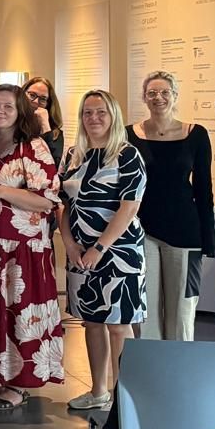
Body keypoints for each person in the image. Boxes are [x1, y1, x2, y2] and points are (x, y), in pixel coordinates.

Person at [0, 85, 63, 410]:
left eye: (8, 106)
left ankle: (18, 386)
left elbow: (47, 200)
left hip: (20, 250)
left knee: (18, 312)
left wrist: (1, 191)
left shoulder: (32, 147)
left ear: (21, 111)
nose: (0, 111)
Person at [58, 89, 147, 412]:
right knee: (91, 322)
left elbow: (129, 206)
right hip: (79, 252)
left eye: (101, 112)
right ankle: (98, 391)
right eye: (87, 112)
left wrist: (99, 247)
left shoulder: (127, 155)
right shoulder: (73, 155)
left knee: (119, 325)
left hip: (119, 252)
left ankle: (125, 398)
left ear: (113, 117)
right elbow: (62, 204)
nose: (93, 118)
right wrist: (69, 244)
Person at [127, 70, 212, 342]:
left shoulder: (196, 135)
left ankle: (180, 365)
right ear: (144, 97)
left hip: (185, 232)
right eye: (152, 93)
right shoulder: (129, 135)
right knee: (146, 311)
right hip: (142, 231)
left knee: (182, 312)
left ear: (175, 96)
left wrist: (208, 240)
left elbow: (204, 189)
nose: (158, 98)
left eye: (165, 92)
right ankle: (151, 366)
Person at [23, 75, 65, 166]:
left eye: (43, 99)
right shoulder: (11, 124)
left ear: (48, 104)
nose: (36, 101)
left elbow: (54, 165)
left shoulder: (55, 133)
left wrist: (45, 126)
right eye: (32, 95)